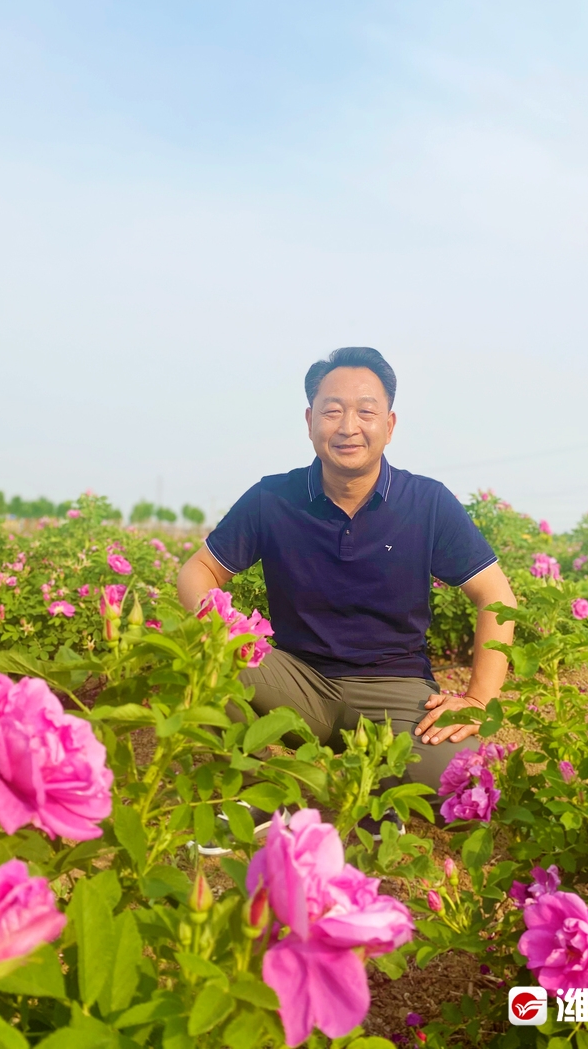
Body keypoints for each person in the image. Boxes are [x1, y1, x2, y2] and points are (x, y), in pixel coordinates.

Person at [177, 347, 516, 821]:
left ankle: (377, 784)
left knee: (462, 790)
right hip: (296, 681)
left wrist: (479, 700)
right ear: (310, 420)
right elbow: (198, 571)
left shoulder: (428, 502)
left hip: (395, 690)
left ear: (390, 425)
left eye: (365, 411)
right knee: (215, 654)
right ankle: (246, 798)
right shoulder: (273, 497)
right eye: (332, 411)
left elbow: (496, 597)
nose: (348, 426)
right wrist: (221, 626)